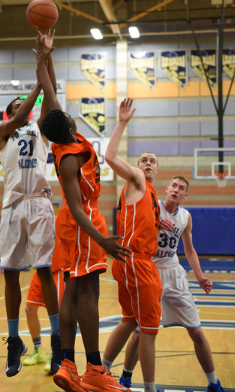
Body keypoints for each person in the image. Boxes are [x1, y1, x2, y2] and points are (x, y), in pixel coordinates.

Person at [40, 107, 131, 391]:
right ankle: (94, 369)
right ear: (69, 128)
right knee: (88, 290)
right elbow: (79, 209)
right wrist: (102, 240)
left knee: (72, 288)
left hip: (73, 224)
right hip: (83, 224)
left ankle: (68, 365)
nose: (69, 114)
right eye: (68, 116)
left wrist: (44, 62)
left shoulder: (65, 139)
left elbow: (51, 99)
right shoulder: (68, 160)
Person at [109, 176, 225, 392]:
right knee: (139, 331)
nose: (176, 190)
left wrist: (199, 277)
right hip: (149, 270)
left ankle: (213, 383)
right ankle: (126, 378)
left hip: (173, 273)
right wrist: (154, 221)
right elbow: (135, 226)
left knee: (197, 332)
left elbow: (189, 249)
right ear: (166, 188)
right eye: (173, 186)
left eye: (181, 188)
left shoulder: (186, 217)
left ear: (185, 195)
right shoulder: (153, 206)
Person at [0, 29, 63, 378]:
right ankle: (14, 341)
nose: (27, 107)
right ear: (10, 112)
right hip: (11, 206)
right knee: (10, 275)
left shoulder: (40, 129)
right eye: (19, 104)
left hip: (38, 203)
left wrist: (46, 58)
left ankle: (55, 341)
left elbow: (49, 100)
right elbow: (24, 112)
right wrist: (37, 71)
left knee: (44, 271)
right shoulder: (4, 131)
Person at [100, 98, 162, 392]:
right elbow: (110, 157)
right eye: (144, 160)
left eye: (152, 161)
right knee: (148, 331)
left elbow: (150, 219)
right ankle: (149, 388)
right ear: (139, 167)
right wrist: (123, 122)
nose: (147, 163)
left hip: (131, 262)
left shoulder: (151, 196)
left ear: (157, 171)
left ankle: (101, 369)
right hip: (137, 262)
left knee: (129, 321)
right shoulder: (137, 180)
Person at [23, 226, 64, 373]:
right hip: (39, 271)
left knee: (55, 314)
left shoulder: (58, 219)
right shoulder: (32, 224)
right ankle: (38, 350)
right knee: (29, 309)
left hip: (56, 271)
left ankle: (55, 352)